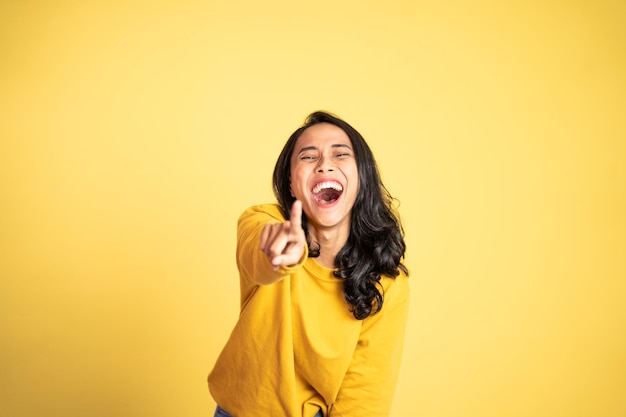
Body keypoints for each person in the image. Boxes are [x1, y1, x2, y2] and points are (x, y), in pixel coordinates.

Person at [208, 111, 409, 417]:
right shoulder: (264, 221)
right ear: (291, 184)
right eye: (308, 156)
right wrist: (278, 255)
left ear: (362, 177)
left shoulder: (387, 280)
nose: (324, 164)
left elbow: (365, 395)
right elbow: (257, 250)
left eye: (340, 154)